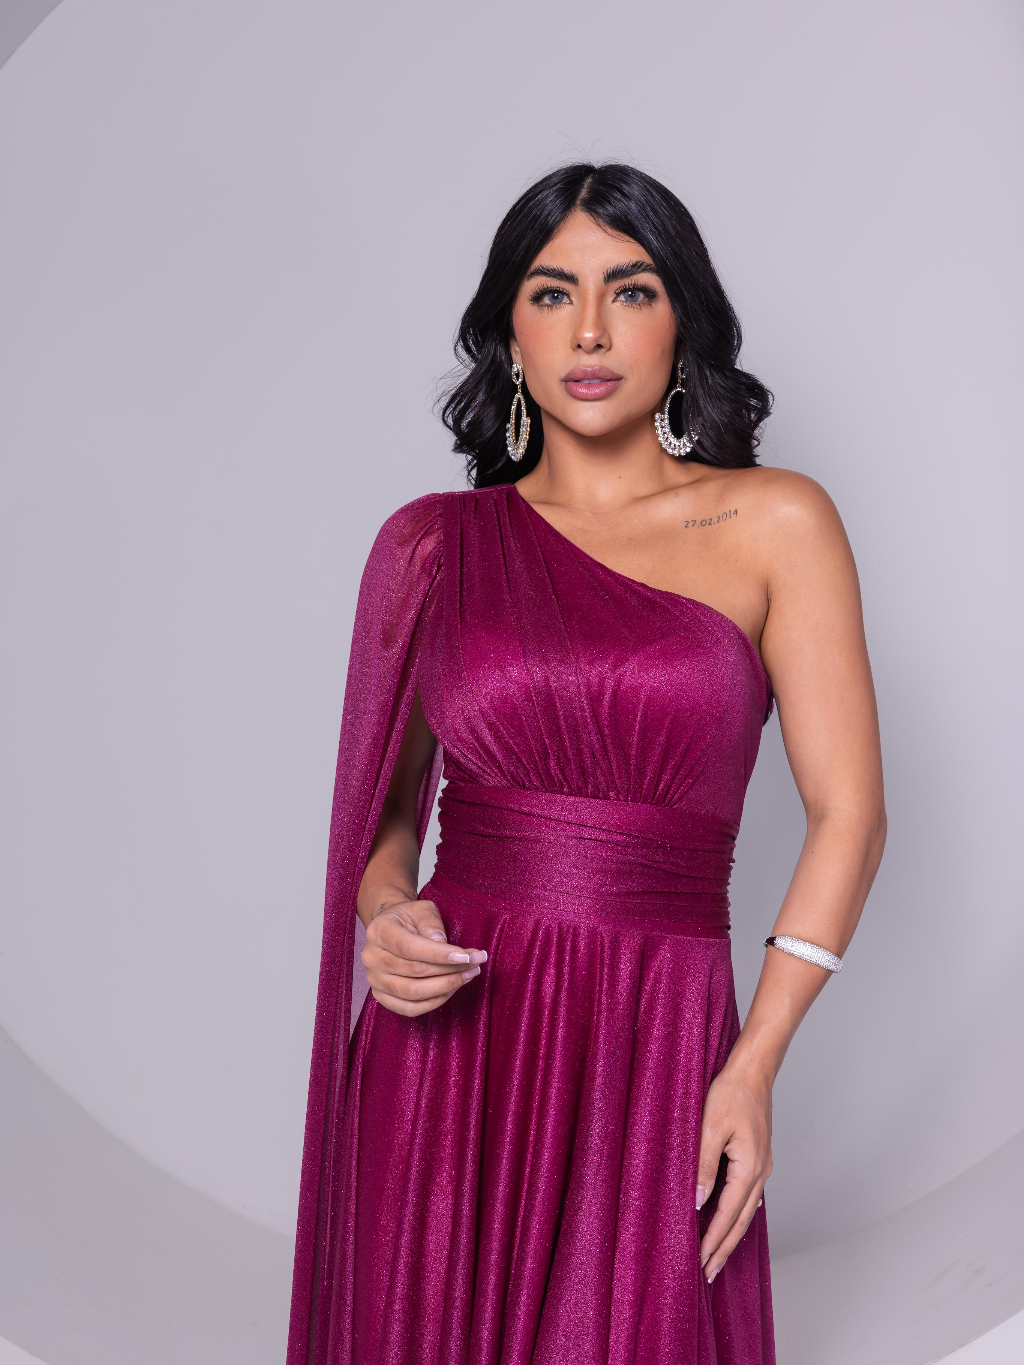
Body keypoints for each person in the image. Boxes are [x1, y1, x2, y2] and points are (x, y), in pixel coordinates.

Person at [285, 162, 886, 1365]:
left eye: (633, 289)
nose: (592, 330)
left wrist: (753, 1065)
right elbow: (385, 816)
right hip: (447, 1044)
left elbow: (848, 818)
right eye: (552, 294)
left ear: (684, 318)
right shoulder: (431, 547)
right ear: (508, 330)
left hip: (658, 1041)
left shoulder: (777, 521)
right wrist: (387, 913)